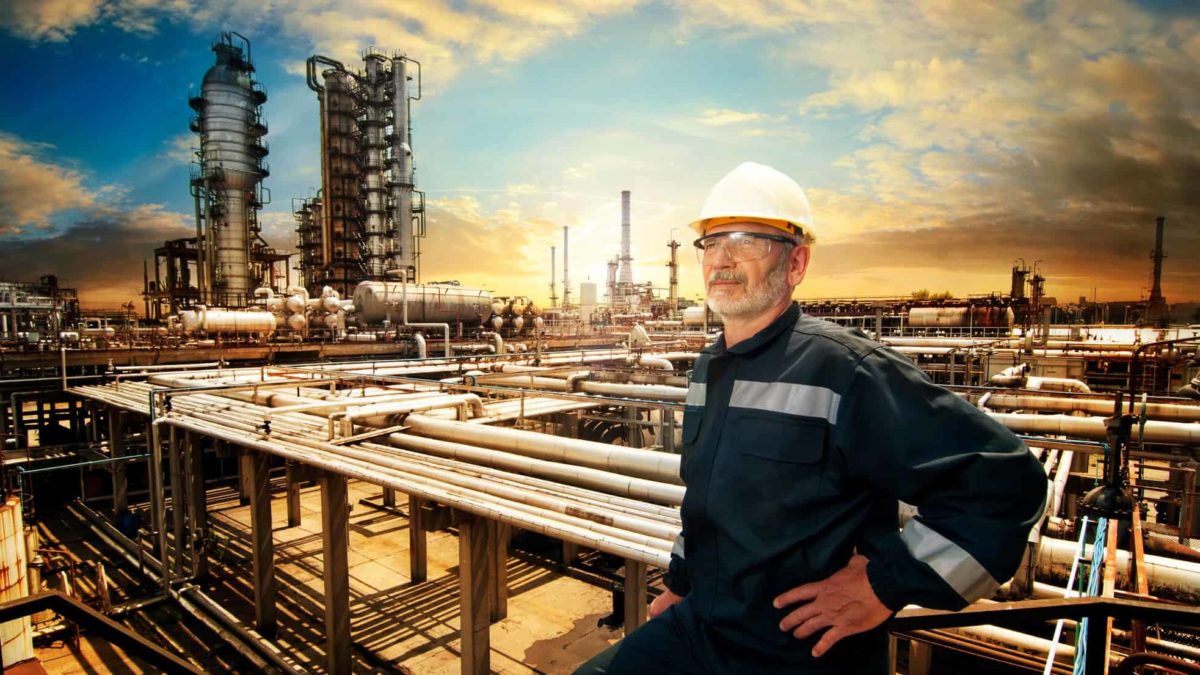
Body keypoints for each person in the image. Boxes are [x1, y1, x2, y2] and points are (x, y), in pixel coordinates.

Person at [575, 162, 1048, 674]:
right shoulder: (709, 369)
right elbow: (709, 500)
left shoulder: (844, 370)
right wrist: (680, 584)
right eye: (711, 244)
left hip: (797, 653)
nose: (723, 260)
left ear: (796, 264)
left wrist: (885, 582)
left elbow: (1003, 482)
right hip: (702, 628)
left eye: (747, 241)